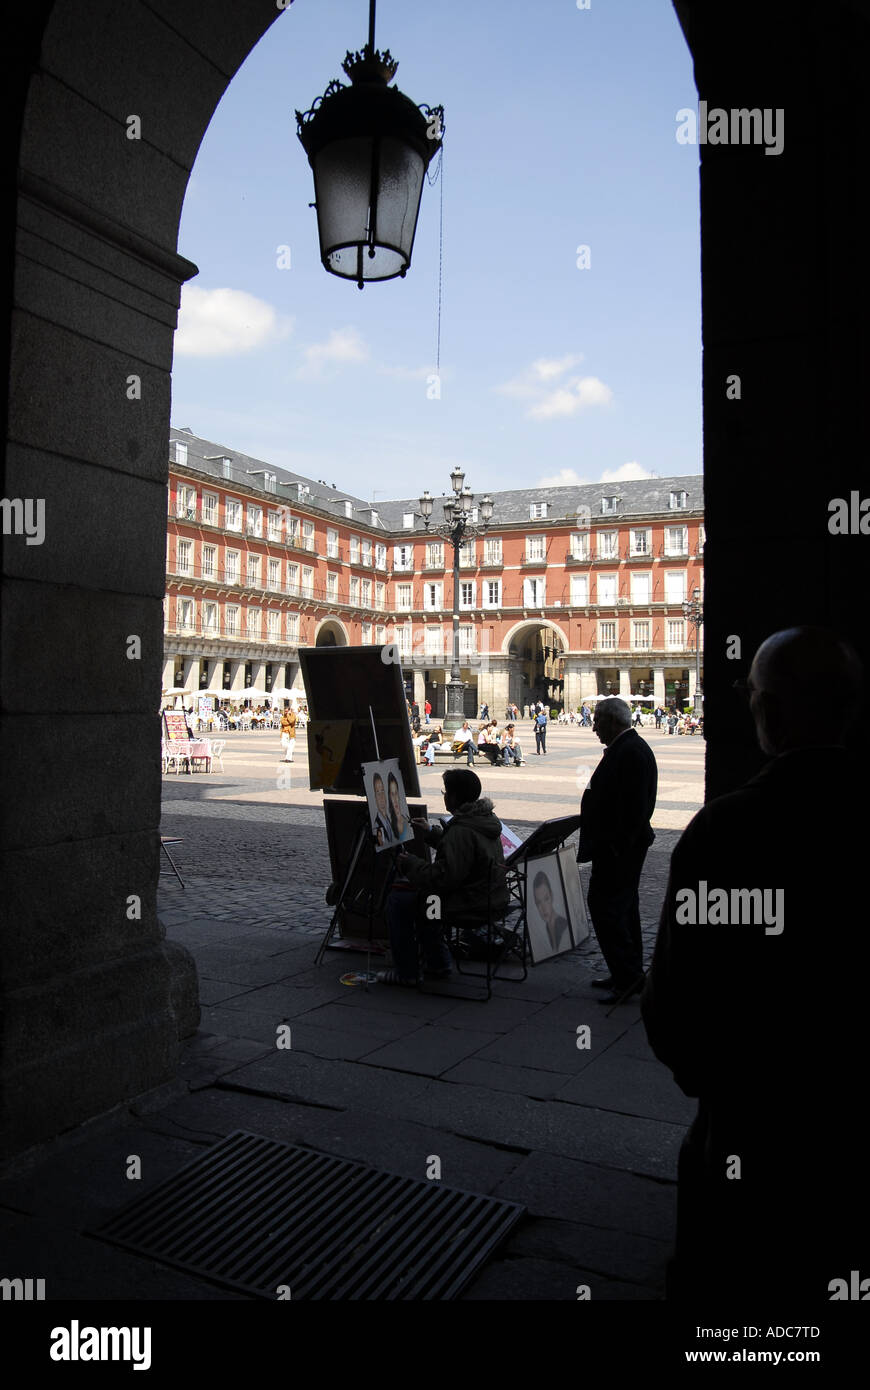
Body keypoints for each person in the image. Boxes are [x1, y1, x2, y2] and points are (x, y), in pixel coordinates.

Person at [641, 627, 867, 1302]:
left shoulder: (727, 830)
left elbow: (675, 996)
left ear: (766, 710)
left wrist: (713, 1083)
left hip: (753, 1119)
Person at [377, 768, 509, 986]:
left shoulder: (462, 830)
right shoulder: (482, 820)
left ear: (455, 796)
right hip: (488, 898)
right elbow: (463, 855)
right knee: (425, 903)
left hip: (466, 905)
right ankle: (437, 962)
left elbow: (442, 878)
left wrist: (411, 864)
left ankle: (407, 972)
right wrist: (431, 832)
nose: (444, 796)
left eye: (445, 792)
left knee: (403, 901)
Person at [576, 696, 657, 1005]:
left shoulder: (631, 752)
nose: (594, 727)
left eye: (597, 721)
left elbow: (635, 808)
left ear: (612, 721)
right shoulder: (630, 748)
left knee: (606, 908)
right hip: (619, 847)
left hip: (619, 849)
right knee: (624, 909)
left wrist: (614, 846)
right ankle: (628, 972)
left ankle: (626, 977)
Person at [532, 870, 572, 955]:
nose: (543, 908)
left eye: (546, 899)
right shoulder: (547, 927)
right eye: (538, 902)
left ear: (552, 896)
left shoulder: (564, 926)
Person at [388, 770, 413, 843]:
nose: (395, 799)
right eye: (392, 794)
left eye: (396, 793)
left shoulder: (406, 819)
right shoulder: (388, 824)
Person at [370, 772, 394, 847]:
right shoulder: (376, 825)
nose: (381, 797)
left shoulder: (389, 819)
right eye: (378, 793)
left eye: (382, 791)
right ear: (374, 797)